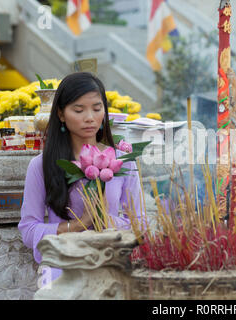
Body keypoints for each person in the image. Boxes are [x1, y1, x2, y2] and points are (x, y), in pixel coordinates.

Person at [18, 72, 144, 285]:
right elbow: (29, 230)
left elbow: (141, 224)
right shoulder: (41, 165)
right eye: (79, 110)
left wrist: (106, 221)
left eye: (97, 108)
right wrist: (78, 225)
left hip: (111, 263)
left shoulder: (123, 161)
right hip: (64, 266)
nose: (90, 117)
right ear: (61, 114)